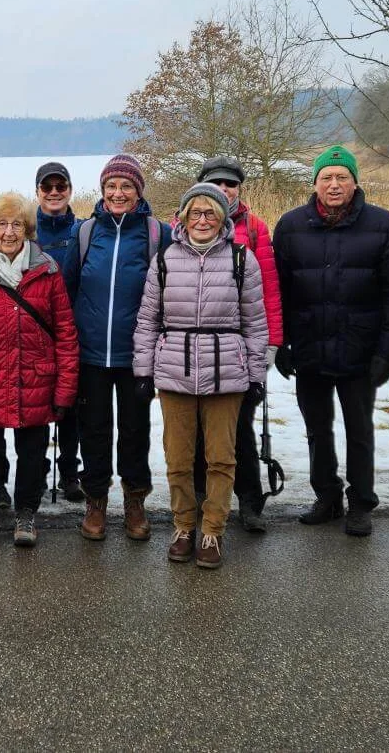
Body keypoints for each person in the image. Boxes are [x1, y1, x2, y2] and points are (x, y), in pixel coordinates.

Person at [273, 144, 389, 537]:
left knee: (359, 429)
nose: (334, 185)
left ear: (355, 182)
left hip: (360, 349)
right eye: (326, 178)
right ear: (314, 183)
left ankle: (361, 502)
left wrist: (387, 351)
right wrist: (281, 343)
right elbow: (279, 291)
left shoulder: (383, 225)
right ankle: (327, 496)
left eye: (342, 177)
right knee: (317, 428)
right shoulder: (291, 225)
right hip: (310, 346)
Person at [133, 183, 268, 567]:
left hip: (227, 373)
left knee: (221, 458)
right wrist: (143, 371)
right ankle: (184, 526)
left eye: (211, 213)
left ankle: (212, 530)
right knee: (178, 456)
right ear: (183, 217)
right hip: (175, 370)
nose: (203, 220)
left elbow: (256, 325)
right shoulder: (164, 260)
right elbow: (147, 322)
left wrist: (256, 375)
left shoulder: (243, 260)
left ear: (223, 218)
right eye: (196, 213)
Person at [0, 193, 79, 551]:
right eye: (2, 224)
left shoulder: (47, 271)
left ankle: (26, 513)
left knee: (33, 450)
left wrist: (65, 389)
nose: (9, 232)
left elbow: (66, 333)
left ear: (27, 229)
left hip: (37, 376)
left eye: (17, 224)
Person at [62, 153, 171, 541]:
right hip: (90, 352)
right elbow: (67, 289)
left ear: (138, 190)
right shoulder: (87, 232)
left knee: (134, 430)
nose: (118, 193)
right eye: (112, 186)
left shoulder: (158, 233)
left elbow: (169, 297)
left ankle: (135, 500)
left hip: (136, 354)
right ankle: (95, 501)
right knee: (93, 430)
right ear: (102, 190)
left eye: (126, 186)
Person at [192, 155, 284, 532]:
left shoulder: (256, 229)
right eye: (217, 183)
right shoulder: (184, 225)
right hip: (194, 350)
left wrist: (270, 345)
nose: (224, 190)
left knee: (240, 427)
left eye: (231, 184)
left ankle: (249, 500)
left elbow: (269, 292)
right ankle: (202, 499)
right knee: (198, 428)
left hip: (240, 350)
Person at [34, 161, 85, 501]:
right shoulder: (25, 230)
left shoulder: (83, 230)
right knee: (36, 405)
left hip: (73, 329)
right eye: (47, 187)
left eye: (60, 186)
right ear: (38, 192)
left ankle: (69, 472)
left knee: (72, 406)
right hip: (34, 331)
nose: (54, 193)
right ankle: (35, 471)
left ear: (69, 190)